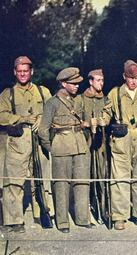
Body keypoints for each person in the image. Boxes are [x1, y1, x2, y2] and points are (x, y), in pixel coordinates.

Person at [0, 56, 53, 233]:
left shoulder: (42, 91)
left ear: (31, 72)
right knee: (13, 182)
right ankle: (14, 221)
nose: (23, 74)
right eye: (19, 71)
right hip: (18, 143)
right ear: (15, 72)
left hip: (39, 143)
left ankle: (42, 213)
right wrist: (22, 119)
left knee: (41, 180)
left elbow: (52, 110)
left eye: (26, 71)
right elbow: (1, 116)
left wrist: (41, 119)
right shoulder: (8, 94)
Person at [38, 67, 93, 233]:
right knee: (61, 186)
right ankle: (62, 222)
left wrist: (86, 142)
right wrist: (52, 148)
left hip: (81, 147)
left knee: (82, 183)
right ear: (63, 83)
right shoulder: (52, 103)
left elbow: (86, 122)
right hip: (61, 148)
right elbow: (43, 130)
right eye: (73, 83)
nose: (77, 86)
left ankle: (83, 219)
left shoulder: (80, 101)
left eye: (78, 83)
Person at [106, 60, 137, 231]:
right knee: (120, 179)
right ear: (124, 77)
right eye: (130, 78)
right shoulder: (114, 94)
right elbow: (106, 114)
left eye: (136, 78)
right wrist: (100, 123)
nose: (133, 82)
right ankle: (119, 216)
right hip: (121, 140)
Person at [82, 69, 111, 225]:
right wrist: (86, 123)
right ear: (91, 81)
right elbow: (77, 117)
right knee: (87, 175)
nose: (101, 83)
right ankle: (86, 208)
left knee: (101, 175)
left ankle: (102, 207)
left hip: (101, 144)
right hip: (85, 142)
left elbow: (109, 113)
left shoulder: (105, 99)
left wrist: (103, 120)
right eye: (98, 80)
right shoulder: (81, 99)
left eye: (102, 80)